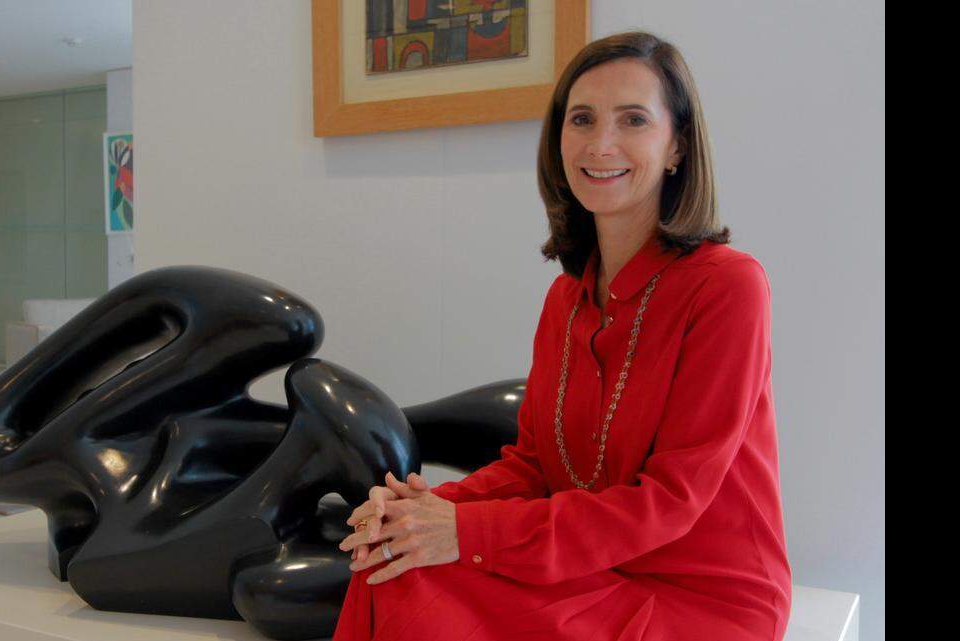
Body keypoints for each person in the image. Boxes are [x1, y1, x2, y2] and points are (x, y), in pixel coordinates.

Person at [334, 31, 792, 641]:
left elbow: (671, 501)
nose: (602, 143)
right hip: (592, 568)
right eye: (582, 119)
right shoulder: (566, 298)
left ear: (677, 144)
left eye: (633, 119)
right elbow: (533, 467)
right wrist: (424, 513)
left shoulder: (728, 286)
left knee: (411, 575)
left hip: (706, 599)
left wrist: (465, 532)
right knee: (391, 561)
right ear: (559, 139)